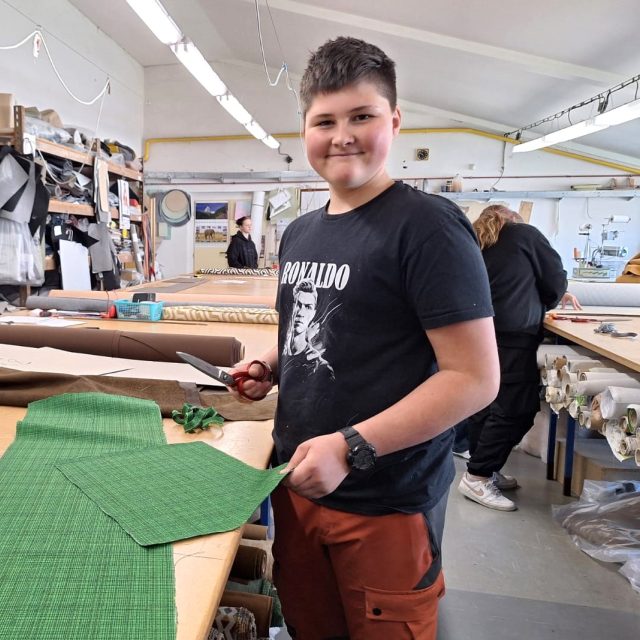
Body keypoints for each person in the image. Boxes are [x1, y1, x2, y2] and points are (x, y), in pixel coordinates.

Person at [230, 37, 500, 639]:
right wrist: (270, 365)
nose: (342, 136)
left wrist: (351, 447)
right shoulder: (300, 232)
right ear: (304, 130)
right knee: (310, 625)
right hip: (296, 483)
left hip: (384, 501)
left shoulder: (427, 228)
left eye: (362, 116)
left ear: (395, 121)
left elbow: (475, 378)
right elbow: (313, 328)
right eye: (324, 121)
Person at [458, 204, 579, 512]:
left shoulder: (474, 240)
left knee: (484, 406)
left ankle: (483, 467)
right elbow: (554, 280)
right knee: (517, 409)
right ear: (512, 219)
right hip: (512, 335)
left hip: (475, 332)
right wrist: (549, 299)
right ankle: (478, 476)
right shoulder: (524, 234)